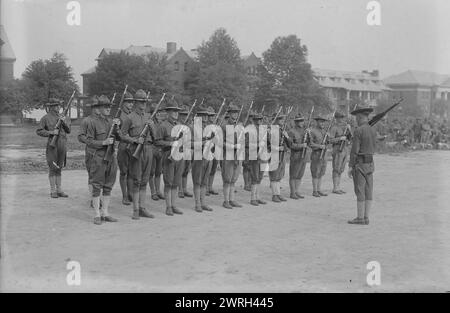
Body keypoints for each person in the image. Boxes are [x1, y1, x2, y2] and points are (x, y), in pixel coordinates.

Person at [83, 95, 120, 225]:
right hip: (98, 157)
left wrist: (117, 127)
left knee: (108, 185)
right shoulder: (92, 122)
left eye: (109, 106)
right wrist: (103, 142)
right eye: (105, 107)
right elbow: (88, 141)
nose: (108, 109)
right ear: (99, 108)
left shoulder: (111, 122)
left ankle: (105, 213)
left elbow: (119, 137)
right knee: (97, 185)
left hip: (111, 157)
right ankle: (97, 214)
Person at [120, 89, 155, 220]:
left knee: (145, 180)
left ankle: (143, 208)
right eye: (141, 102)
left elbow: (155, 137)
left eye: (145, 102)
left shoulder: (148, 117)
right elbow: (122, 135)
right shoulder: (129, 118)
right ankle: (135, 209)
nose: (143, 104)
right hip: (136, 150)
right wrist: (134, 140)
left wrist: (152, 126)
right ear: (135, 103)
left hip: (148, 149)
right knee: (137, 180)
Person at [347, 105, 377, 225]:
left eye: (356, 118)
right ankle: (366, 217)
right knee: (369, 190)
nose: (355, 120)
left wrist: (350, 166)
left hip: (360, 164)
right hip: (370, 163)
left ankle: (360, 218)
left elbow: (354, 150)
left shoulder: (359, 130)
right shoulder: (372, 129)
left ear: (359, 117)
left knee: (360, 190)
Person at [36, 98, 71, 198]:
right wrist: (51, 132)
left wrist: (63, 122)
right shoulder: (45, 118)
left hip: (62, 144)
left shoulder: (64, 117)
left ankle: (59, 189)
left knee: (59, 167)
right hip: (52, 145)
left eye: (59, 105)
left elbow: (69, 131)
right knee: (53, 167)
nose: (58, 107)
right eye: (55, 105)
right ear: (50, 107)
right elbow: (39, 131)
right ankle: (53, 190)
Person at [156, 99, 185, 216]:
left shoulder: (179, 126)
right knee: (168, 182)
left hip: (179, 156)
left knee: (176, 182)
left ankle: (174, 205)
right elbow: (157, 142)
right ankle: (168, 207)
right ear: (168, 112)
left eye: (177, 111)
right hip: (168, 156)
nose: (176, 113)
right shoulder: (162, 126)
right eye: (173, 111)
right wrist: (170, 144)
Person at [191, 105, 214, 212]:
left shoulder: (209, 127)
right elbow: (189, 143)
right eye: (203, 115)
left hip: (208, 155)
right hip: (198, 156)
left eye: (206, 115)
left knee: (204, 181)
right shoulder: (193, 127)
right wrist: (203, 142)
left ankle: (203, 202)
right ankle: (197, 204)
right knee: (197, 181)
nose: (205, 117)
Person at [221, 104, 242, 209]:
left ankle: (232, 199)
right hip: (228, 156)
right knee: (227, 179)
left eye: (237, 112)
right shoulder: (224, 126)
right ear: (229, 114)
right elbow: (220, 142)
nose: (235, 114)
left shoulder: (239, 126)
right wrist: (232, 146)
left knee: (234, 179)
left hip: (237, 156)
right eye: (233, 112)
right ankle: (226, 201)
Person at [244, 111, 266, 205]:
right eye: (258, 119)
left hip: (262, 155)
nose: (259, 121)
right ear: (254, 120)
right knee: (255, 177)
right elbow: (246, 143)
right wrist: (257, 144)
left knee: (260, 177)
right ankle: (253, 198)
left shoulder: (263, 130)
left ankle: (258, 197)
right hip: (253, 155)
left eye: (261, 119)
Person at [117, 91, 135, 205]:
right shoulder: (119, 116)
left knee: (131, 172)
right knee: (124, 172)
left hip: (132, 145)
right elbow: (117, 134)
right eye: (128, 102)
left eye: (132, 102)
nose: (131, 104)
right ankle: (124, 196)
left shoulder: (132, 115)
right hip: (123, 146)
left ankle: (130, 193)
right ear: (123, 103)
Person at [286, 113, 308, 199]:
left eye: (302, 120)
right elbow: (291, 145)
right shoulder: (291, 132)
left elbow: (309, 142)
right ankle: (292, 193)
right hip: (295, 155)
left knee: (300, 175)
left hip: (304, 155)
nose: (302, 122)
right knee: (293, 175)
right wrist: (301, 145)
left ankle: (297, 191)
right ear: (296, 122)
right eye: (299, 121)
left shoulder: (305, 131)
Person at [268, 113, 290, 202]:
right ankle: (274, 195)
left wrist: (287, 137)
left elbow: (289, 144)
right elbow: (267, 145)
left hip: (282, 155)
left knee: (279, 175)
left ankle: (278, 194)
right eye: (280, 119)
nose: (282, 121)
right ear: (275, 120)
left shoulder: (283, 130)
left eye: (282, 119)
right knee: (274, 175)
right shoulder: (270, 130)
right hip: (274, 155)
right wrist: (277, 148)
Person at [329, 112, 350, 194]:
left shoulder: (345, 127)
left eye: (342, 117)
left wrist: (349, 129)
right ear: (336, 118)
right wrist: (340, 138)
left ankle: (338, 187)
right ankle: (335, 188)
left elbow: (350, 138)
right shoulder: (334, 128)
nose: (341, 119)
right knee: (336, 169)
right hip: (337, 149)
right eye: (339, 117)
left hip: (345, 149)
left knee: (341, 169)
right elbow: (330, 140)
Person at [309, 115, 329, 197]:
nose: (322, 123)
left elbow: (329, 142)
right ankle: (315, 191)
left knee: (321, 172)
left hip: (324, 155)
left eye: (323, 122)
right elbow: (310, 144)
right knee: (315, 172)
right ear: (317, 122)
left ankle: (319, 189)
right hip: (316, 154)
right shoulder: (312, 131)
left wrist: (328, 137)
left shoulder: (325, 132)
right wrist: (319, 146)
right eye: (321, 121)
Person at [149, 104, 166, 201]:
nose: (159, 114)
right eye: (157, 112)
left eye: (160, 112)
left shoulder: (162, 123)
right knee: (151, 172)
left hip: (160, 150)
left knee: (159, 172)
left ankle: (158, 191)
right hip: (152, 148)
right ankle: (153, 192)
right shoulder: (151, 123)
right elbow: (154, 137)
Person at [178, 104, 193, 199]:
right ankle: (179, 190)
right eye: (183, 114)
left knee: (186, 170)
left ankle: (184, 188)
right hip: (180, 150)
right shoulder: (177, 125)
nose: (185, 116)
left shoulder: (189, 126)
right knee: (180, 170)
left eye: (186, 114)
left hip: (188, 150)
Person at [206, 107, 220, 196]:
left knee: (213, 169)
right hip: (208, 150)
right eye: (210, 116)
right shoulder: (205, 126)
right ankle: (205, 187)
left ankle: (210, 187)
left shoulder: (216, 126)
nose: (212, 117)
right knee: (207, 170)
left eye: (213, 116)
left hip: (216, 150)